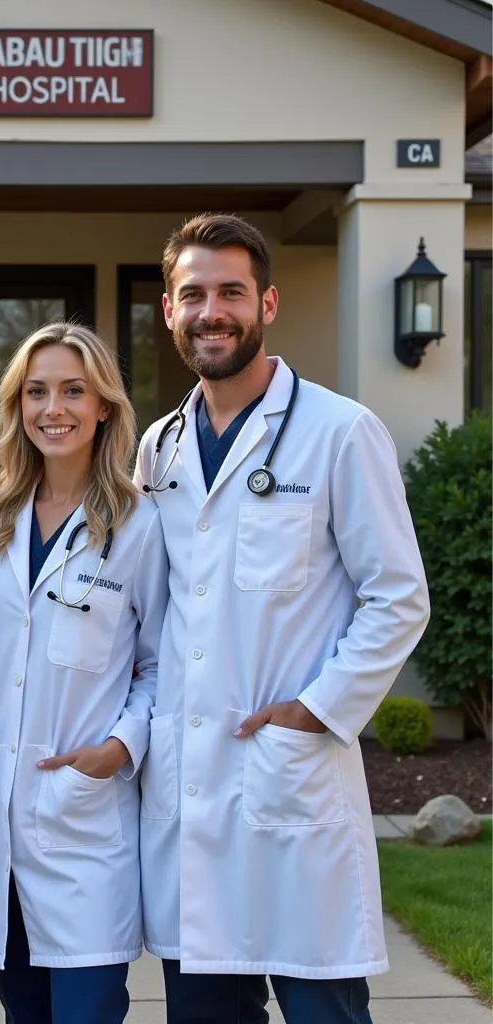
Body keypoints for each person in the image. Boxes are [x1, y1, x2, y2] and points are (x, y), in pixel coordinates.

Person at [134, 213, 430, 1024]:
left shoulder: (339, 432)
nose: (211, 311)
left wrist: (316, 712)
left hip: (289, 785)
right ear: (168, 311)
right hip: (191, 794)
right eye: (192, 294)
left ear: (267, 303)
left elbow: (398, 595)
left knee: (323, 1010)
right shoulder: (156, 449)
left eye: (231, 291)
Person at [0, 321, 168, 1024]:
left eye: (73, 391)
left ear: (104, 405)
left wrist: (119, 749)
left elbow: (160, 664)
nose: (54, 409)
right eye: (37, 392)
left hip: (84, 824)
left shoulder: (141, 525)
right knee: (22, 1013)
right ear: (17, 408)